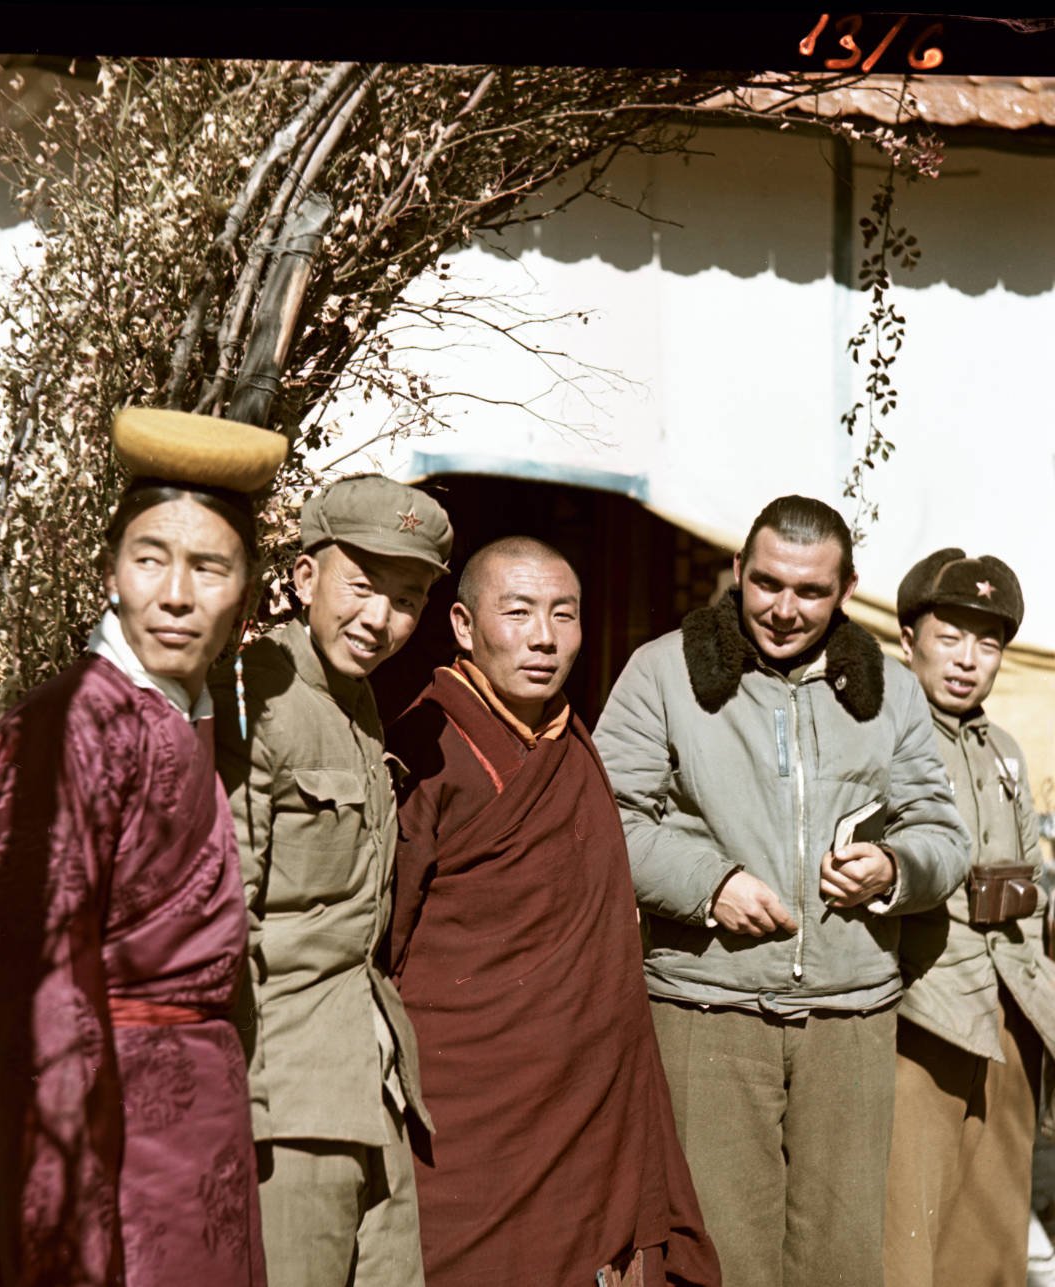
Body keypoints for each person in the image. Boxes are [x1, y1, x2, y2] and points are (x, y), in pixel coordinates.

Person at [593, 494, 970, 1287]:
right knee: (717, 1258)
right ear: (737, 571)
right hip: (707, 1010)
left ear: (846, 590)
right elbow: (604, 826)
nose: (785, 610)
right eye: (767, 584)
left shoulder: (894, 692)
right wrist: (710, 882)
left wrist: (895, 870)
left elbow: (943, 832)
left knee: (840, 1261)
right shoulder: (663, 672)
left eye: (811, 592)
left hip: (852, 1017)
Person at [0, 411, 283, 1287]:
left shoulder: (177, 713)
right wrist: (66, 1225)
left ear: (245, 591)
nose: (175, 594)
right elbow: (43, 994)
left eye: (208, 567)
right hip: (110, 1144)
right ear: (109, 573)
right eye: (148, 559)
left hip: (191, 1140)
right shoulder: (70, 733)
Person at [386, 536, 720, 1287]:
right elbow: (388, 937)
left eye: (563, 614)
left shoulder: (572, 744)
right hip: (469, 1100)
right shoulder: (425, 744)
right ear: (466, 627)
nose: (544, 637)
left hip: (579, 1094)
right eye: (519, 612)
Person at [212, 474, 452, 1287]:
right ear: (305, 577)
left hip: (371, 1082)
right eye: (362, 586)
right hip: (283, 1096)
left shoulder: (356, 701)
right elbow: (224, 919)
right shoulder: (258, 695)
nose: (380, 619)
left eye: (407, 598)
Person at [883, 548, 1055, 1287]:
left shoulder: (1006, 752)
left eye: (987, 644)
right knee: (906, 1228)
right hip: (918, 1009)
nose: (967, 660)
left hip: (1010, 1007)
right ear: (908, 639)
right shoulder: (881, 736)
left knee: (990, 1235)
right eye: (950, 636)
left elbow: (1029, 881)